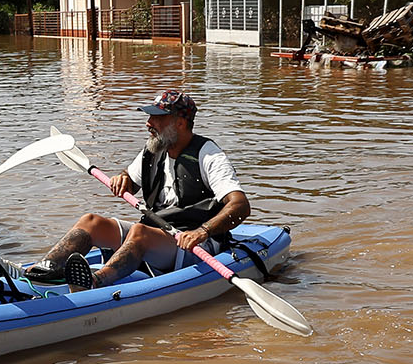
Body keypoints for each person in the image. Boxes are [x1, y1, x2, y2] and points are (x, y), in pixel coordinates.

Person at [24, 89, 249, 290]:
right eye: (149, 116)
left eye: (157, 117)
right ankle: (43, 270)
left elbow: (240, 205)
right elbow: (130, 179)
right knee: (90, 221)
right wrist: (122, 179)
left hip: (192, 242)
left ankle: (94, 282)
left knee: (139, 233)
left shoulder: (208, 154)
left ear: (180, 123)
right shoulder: (154, 149)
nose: (148, 123)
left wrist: (202, 232)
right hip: (157, 233)